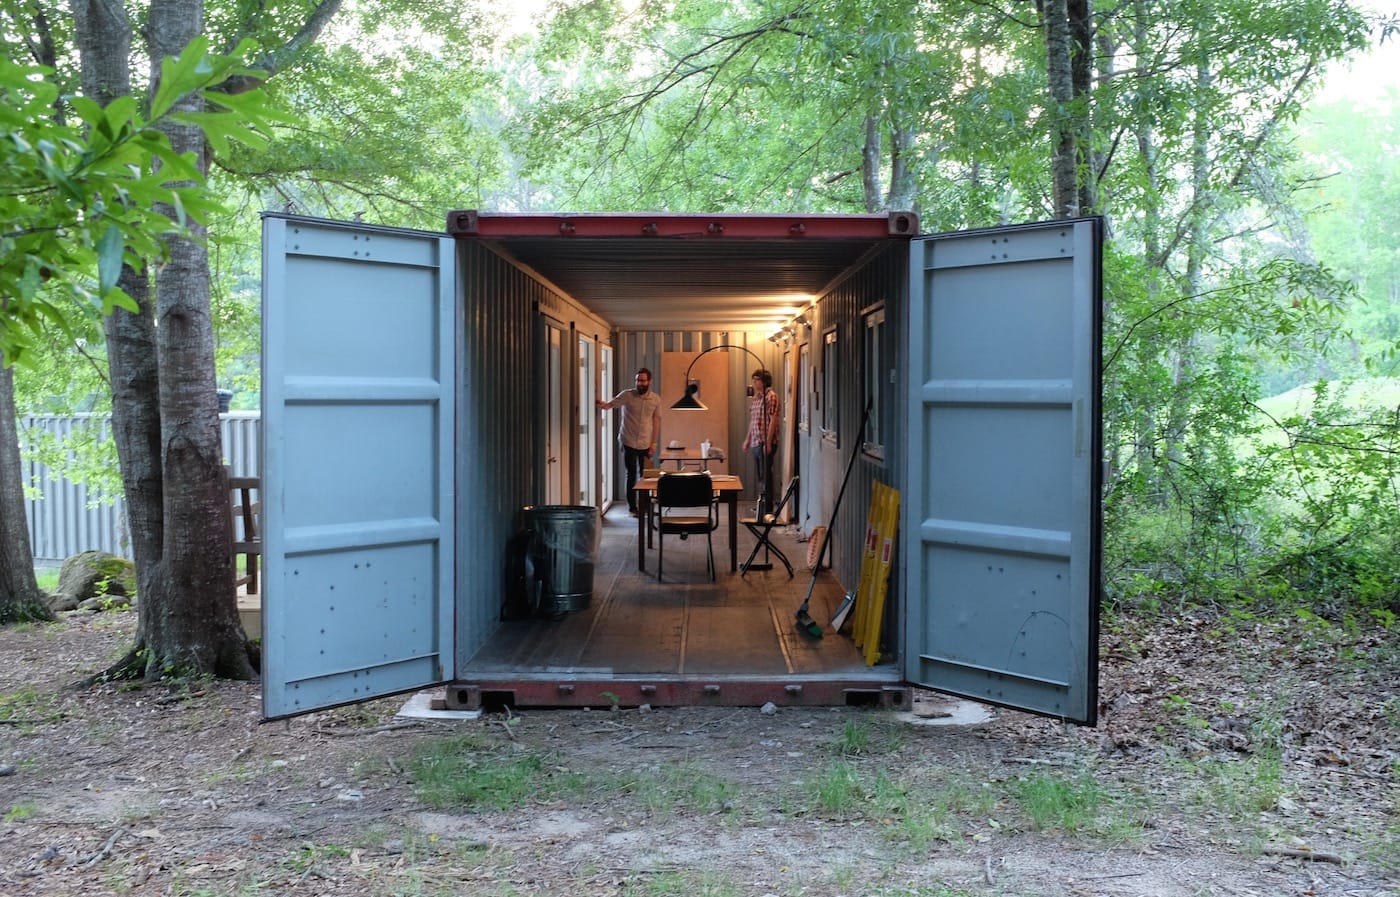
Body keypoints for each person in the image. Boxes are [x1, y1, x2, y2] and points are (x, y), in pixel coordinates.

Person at [597, 368, 662, 515]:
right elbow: (609, 405)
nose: (640, 383)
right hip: (628, 440)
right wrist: (601, 403)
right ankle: (633, 508)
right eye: (638, 380)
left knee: (646, 475)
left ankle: (646, 506)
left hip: (645, 442)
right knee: (631, 474)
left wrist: (654, 444)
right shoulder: (627, 395)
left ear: (649, 382)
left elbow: (656, 420)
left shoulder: (655, 399)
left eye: (643, 381)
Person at [742, 368, 779, 517]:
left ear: (764, 381)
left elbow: (773, 420)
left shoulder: (771, 397)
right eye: (754, 379)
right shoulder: (756, 398)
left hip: (765, 441)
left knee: (766, 475)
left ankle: (768, 509)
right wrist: (748, 439)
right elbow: (753, 421)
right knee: (760, 476)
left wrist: (768, 443)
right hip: (756, 441)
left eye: (757, 379)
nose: (754, 382)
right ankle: (761, 504)